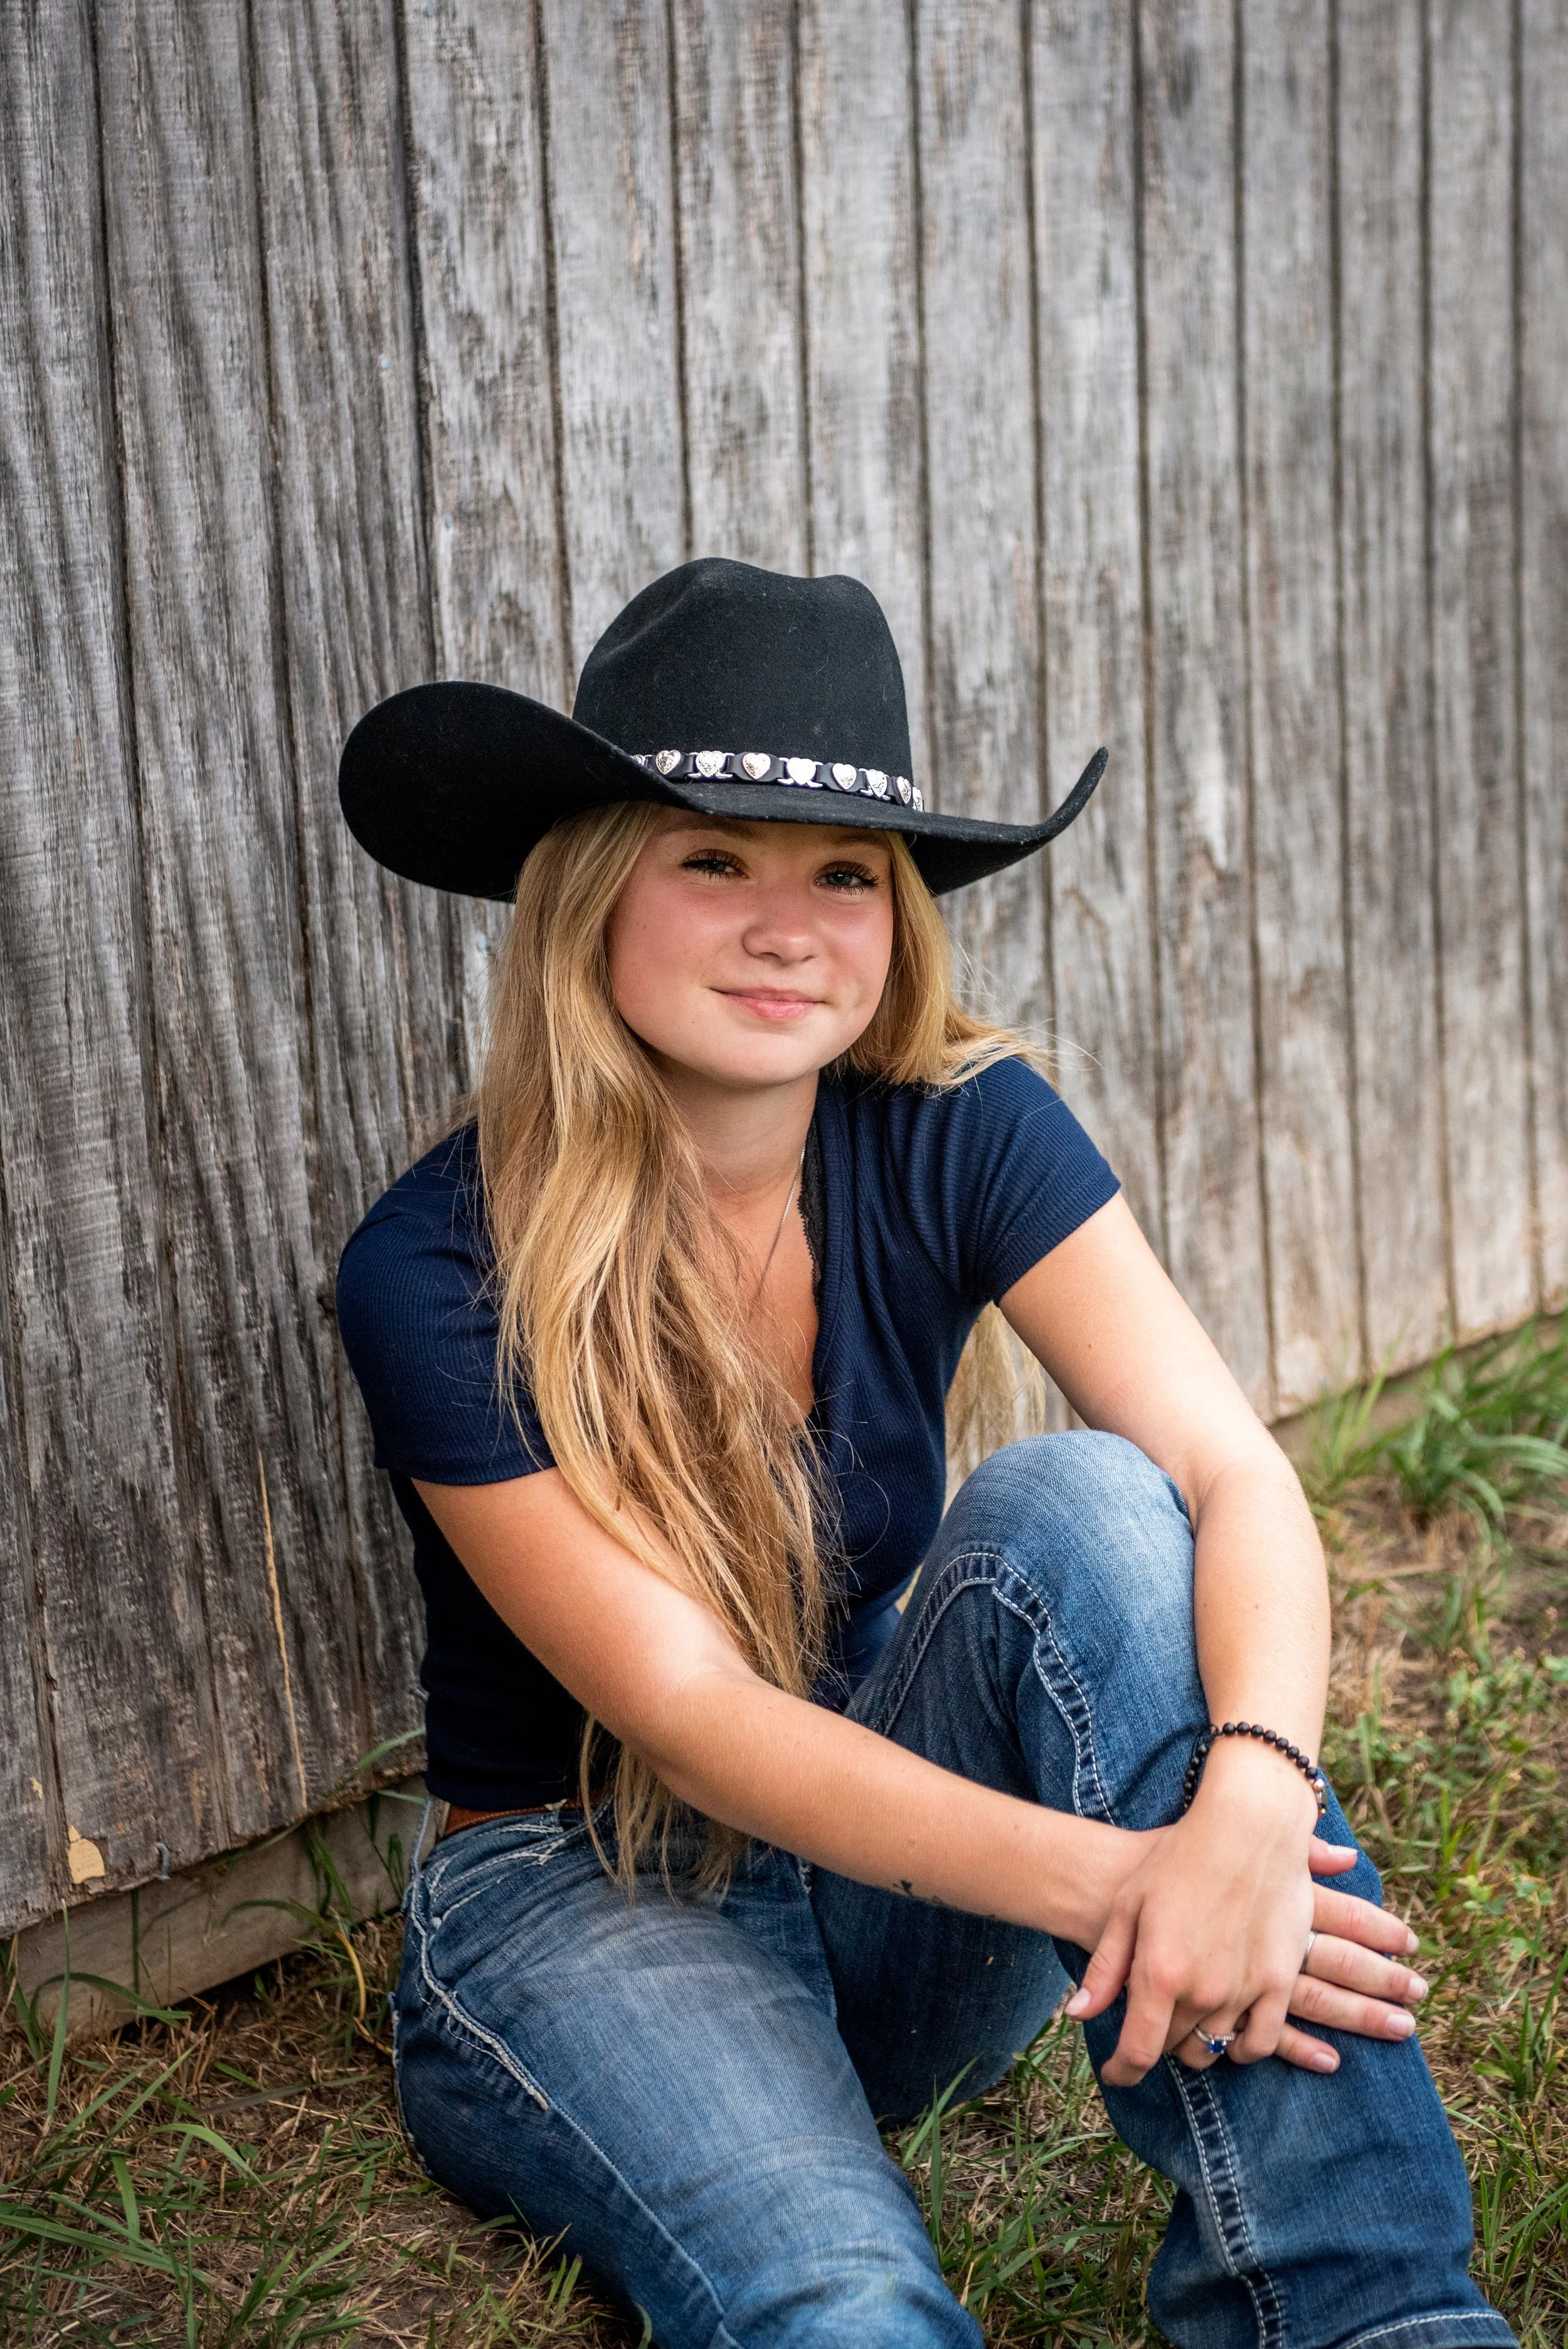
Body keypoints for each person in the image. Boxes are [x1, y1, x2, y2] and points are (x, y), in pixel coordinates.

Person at [334, 559, 1513, 2349]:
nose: (784, 925)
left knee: (1088, 1500)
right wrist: (1140, 1881)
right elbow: (687, 1713)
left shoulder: (955, 1125)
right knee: (841, 2298)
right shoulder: (437, 1264)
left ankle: (1367, 2315)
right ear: (586, 893)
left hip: (910, 1876)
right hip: (585, 1886)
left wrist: (1253, 1812)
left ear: (898, 920)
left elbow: (1230, 1475)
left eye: (843, 876)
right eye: (710, 857)